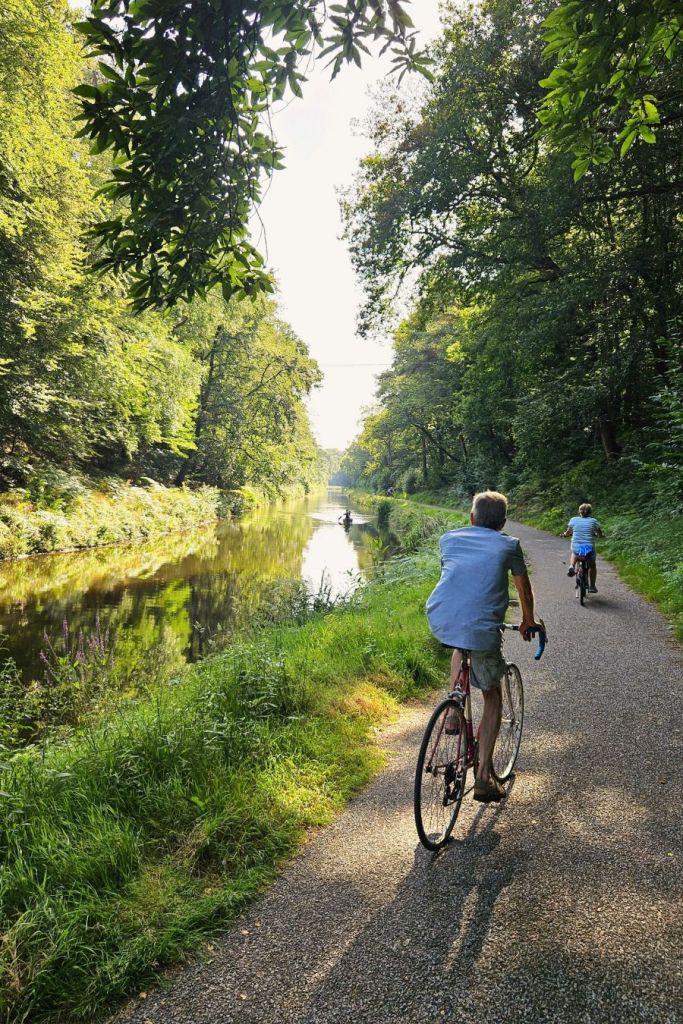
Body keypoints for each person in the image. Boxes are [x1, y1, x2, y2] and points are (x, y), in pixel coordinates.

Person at [426, 490, 541, 803]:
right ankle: (483, 779)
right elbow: (524, 590)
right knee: (492, 697)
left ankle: (453, 709)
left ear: (471, 518)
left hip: (440, 618)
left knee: (461, 646)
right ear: (503, 522)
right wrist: (529, 620)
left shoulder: (448, 539)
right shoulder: (509, 545)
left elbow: (459, 580)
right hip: (481, 629)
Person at [562, 502, 604, 593]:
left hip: (576, 546)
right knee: (592, 565)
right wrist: (600, 535)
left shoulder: (573, 520)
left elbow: (568, 532)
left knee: (574, 552)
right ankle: (592, 586)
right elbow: (599, 533)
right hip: (588, 547)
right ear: (590, 512)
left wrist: (565, 534)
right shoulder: (593, 521)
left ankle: (571, 566)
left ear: (579, 511)